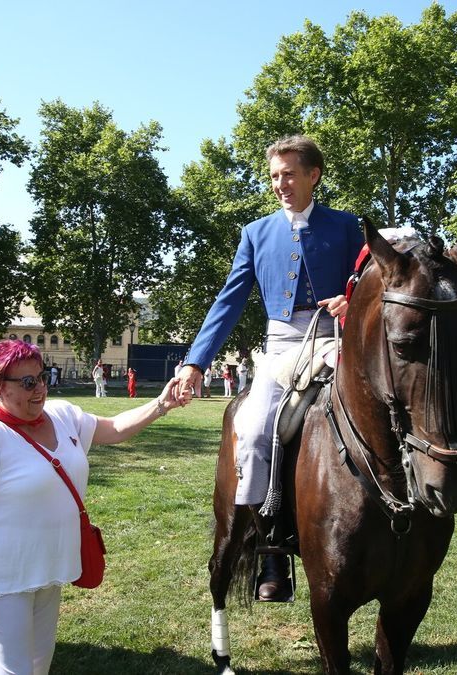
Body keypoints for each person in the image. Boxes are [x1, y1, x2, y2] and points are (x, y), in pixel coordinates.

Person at [173, 134, 364, 601]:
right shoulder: (255, 233)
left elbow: (372, 275)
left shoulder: (346, 227)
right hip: (281, 347)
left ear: (313, 175)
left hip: (334, 337)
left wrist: (351, 296)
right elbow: (229, 301)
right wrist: (196, 361)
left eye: (289, 174)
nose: (280, 183)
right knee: (256, 429)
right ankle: (270, 550)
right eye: (275, 175)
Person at [0, 339, 184, 674]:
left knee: (37, 666)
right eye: (28, 382)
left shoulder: (62, 415)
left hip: (45, 571)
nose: (40, 389)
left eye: (42, 377)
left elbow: (116, 429)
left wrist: (162, 404)